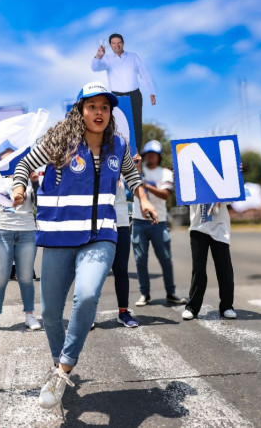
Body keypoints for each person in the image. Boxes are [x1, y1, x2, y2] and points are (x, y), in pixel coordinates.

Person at [11, 82, 157, 409]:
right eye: (92, 106)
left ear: (110, 113)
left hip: (101, 235)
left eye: (105, 107)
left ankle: (62, 370)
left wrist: (144, 200)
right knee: (50, 313)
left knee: (88, 294)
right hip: (59, 238)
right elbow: (23, 165)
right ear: (81, 110)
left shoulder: (118, 146)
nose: (99, 113)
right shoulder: (58, 143)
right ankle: (58, 360)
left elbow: (132, 178)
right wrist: (20, 188)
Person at [0, 173, 42, 334]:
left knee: (25, 277)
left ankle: (30, 315)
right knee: (0, 278)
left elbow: (40, 203)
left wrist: (35, 182)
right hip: (2, 231)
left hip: (27, 232)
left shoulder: (30, 179)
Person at [132, 140, 186, 306]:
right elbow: (132, 190)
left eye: (153, 153)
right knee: (140, 259)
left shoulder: (165, 173)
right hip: (139, 220)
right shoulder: (136, 171)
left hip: (159, 221)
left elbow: (165, 194)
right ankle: (144, 294)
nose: (150, 156)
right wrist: (138, 172)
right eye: (147, 153)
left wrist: (145, 185)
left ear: (159, 156)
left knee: (165, 259)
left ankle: (171, 292)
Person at [91, 33, 156, 150]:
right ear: (110, 45)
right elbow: (94, 68)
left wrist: (151, 92)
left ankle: (137, 153)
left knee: (136, 125)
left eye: (119, 42)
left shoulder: (133, 57)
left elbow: (145, 74)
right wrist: (98, 56)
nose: (117, 45)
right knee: (119, 125)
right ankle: (121, 153)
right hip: (117, 97)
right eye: (114, 43)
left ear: (123, 43)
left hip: (134, 95)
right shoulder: (107, 59)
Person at [183, 202, 236, 320]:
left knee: (224, 268)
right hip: (198, 228)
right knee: (198, 269)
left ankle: (227, 306)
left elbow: (232, 198)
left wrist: (218, 198)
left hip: (220, 228)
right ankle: (192, 308)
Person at [112, 172, 139, 328]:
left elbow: (133, 191)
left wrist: (135, 171)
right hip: (99, 223)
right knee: (96, 272)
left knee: (121, 270)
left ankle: (123, 312)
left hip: (121, 222)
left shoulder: (125, 169)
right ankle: (89, 314)